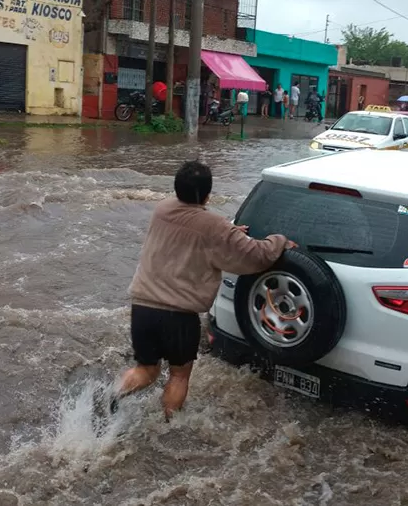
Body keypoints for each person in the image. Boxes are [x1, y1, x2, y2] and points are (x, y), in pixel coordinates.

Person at [117, 161, 295, 419]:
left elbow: (193, 228)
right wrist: (278, 241)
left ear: (176, 188)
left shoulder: (162, 209)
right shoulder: (215, 227)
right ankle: (168, 424)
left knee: (146, 370)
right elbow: (255, 256)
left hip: (142, 307)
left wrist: (228, 231)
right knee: (178, 376)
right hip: (179, 316)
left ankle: (111, 396)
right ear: (208, 194)